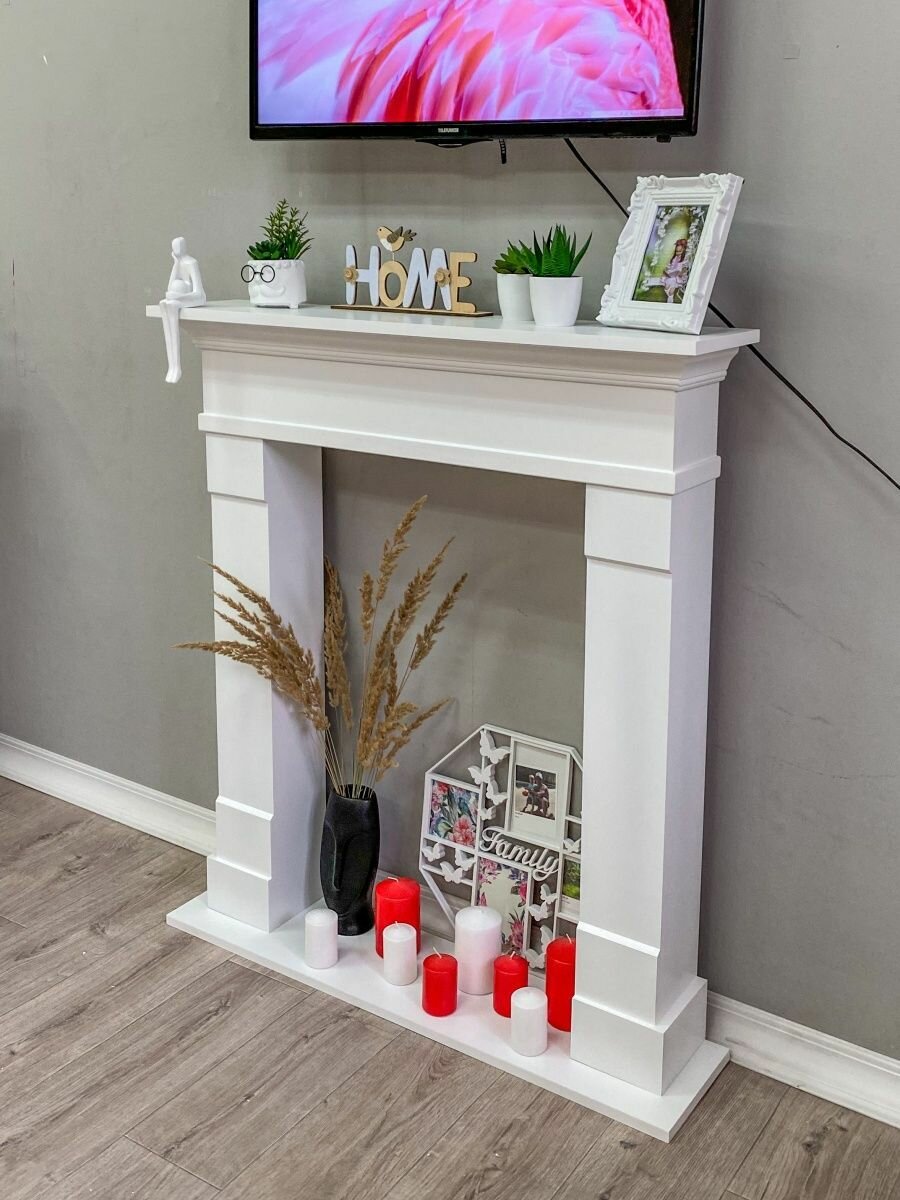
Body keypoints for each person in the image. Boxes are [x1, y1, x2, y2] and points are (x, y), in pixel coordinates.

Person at [159, 237, 206, 384]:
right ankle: (172, 365)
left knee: (172, 305)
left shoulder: (192, 263)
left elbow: (200, 294)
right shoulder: (178, 264)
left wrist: (180, 297)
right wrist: (175, 264)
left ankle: (176, 366)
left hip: (190, 297)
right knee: (164, 304)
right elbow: (169, 287)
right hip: (177, 297)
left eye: (178, 246)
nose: (176, 250)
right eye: (174, 247)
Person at [661, 238, 690, 304]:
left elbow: (685, 267)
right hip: (671, 275)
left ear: (684, 250)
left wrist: (681, 272)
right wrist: (666, 270)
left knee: (671, 291)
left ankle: (670, 299)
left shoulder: (684, 258)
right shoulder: (674, 258)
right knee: (666, 287)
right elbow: (669, 266)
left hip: (678, 277)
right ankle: (670, 296)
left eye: (680, 251)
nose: (678, 253)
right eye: (676, 251)